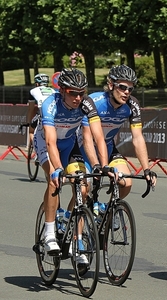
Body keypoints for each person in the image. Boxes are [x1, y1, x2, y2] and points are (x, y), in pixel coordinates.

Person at [33, 68, 109, 266]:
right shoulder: (51, 104)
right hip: (46, 143)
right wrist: (57, 168)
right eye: (72, 93)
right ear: (62, 91)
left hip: (69, 143)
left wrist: (103, 165)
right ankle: (50, 233)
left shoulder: (85, 104)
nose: (77, 97)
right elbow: (50, 142)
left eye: (81, 93)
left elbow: (97, 136)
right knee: (54, 180)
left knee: (83, 187)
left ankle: (76, 238)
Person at [77, 64, 157, 202]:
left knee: (126, 182)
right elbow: (87, 138)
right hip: (85, 147)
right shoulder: (94, 101)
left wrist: (146, 169)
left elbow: (137, 138)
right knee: (85, 190)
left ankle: (109, 212)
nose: (126, 92)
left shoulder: (132, 105)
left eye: (130, 89)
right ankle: (73, 219)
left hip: (108, 146)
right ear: (111, 85)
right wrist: (97, 166)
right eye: (122, 87)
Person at [27, 73, 56, 142]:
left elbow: (31, 109)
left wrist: (28, 122)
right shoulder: (53, 90)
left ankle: (36, 147)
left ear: (37, 84)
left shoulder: (33, 91)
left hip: (42, 112)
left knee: (31, 131)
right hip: (54, 114)